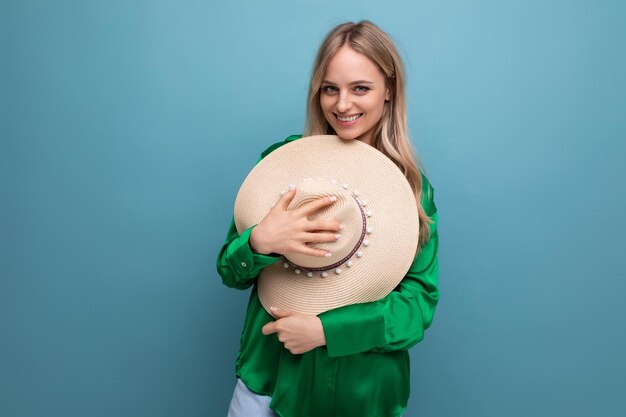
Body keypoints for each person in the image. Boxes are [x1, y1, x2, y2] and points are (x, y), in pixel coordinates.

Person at [216, 20, 439, 417]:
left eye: (360, 88)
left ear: (389, 91)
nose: (342, 104)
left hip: (358, 394)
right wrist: (258, 242)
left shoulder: (412, 191)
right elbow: (230, 272)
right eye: (330, 88)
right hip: (268, 377)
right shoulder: (280, 164)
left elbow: (416, 307)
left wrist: (325, 331)